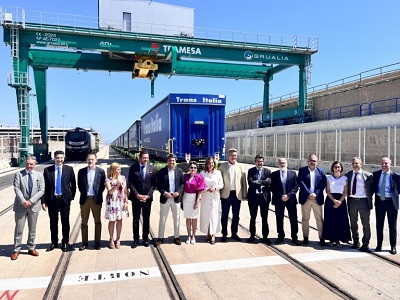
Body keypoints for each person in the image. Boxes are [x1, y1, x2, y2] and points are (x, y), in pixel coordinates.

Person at [11, 156, 45, 260]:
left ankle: (31, 247)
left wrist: (30, 201)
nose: (29, 166)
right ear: (25, 164)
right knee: (19, 229)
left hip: (33, 206)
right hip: (21, 206)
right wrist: (23, 201)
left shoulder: (39, 175)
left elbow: (41, 190)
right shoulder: (19, 174)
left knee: (32, 229)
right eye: (27, 164)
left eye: (31, 164)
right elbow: (16, 188)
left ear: (35, 165)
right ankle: (16, 249)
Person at [42, 150, 76, 252]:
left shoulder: (69, 169)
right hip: (52, 200)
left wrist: (71, 197)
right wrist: (43, 201)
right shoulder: (47, 170)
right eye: (57, 158)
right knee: (53, 222)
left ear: (63, 158)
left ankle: (65, 242)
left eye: (61, 158)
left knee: (65, 221)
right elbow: (44, 187)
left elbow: (73, 185)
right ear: (54, 158)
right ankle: (54, 242)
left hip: (64, 200)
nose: (59, 159)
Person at [128, 150, 156, 248]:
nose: (146, 160)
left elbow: (153, 184)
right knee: (136, 219)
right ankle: (135, 239)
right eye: (144, 158)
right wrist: (137, 194)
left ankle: (145, 239)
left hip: (147, 198)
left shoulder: (152, 168)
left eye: (147, 158)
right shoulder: (133, 168)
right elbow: (130, 183)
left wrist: (148, 195)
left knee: (146, 219)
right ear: (140, 158)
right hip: (136, 198)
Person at [77, 152, 106, 251]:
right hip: (85, 200)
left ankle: (97, 242)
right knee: (84, 222)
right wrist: (85, 194)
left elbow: (102, 186)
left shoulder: (101, 172)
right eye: (89, 159)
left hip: (96, 200)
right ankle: (85, 242)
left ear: (96, 160)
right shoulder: (81, 172)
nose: (90, 161)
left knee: (97, 221)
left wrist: (97, 194)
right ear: (86, 160)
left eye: (92, 159)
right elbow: (80, 185)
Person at [270, 157, 301, 245]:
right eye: (280, 163)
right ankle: (280, 236)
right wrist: (281, 196)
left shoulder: (293, 174)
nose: (282, 164)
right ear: (278, 164)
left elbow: (296, 187)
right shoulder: (274, 174)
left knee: (293, 218)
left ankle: (294, 237)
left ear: (287, 163)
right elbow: (272, 188)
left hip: (290, 200)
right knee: (279, 218)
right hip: (279, 200)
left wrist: (288, 195)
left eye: (284, 163)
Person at [219, 148, 248, 242]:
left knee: (236, 215)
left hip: (237, 195)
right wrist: (218, 194)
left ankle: (234, 233)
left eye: (235, 155)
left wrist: (244, 194)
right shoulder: (222, 166)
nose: (233, 157)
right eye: (232, 155)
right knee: (224, 215)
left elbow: (244, 181)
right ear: (228, 156)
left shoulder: (240, 166)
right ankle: (224, 234)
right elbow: (219, 180)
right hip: (225, 195)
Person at [345, 157, 374, 252]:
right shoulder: (348, 175)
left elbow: (372, 189)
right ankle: (356, 241)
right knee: (353, 223)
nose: (354, 165)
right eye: (353, 163)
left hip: (364, 201)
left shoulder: (368, 176)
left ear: (361, 164)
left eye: (356, 163)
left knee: (365, 224)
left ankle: (365, 244)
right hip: (352, 201)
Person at [298, 154, 327, 246]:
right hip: (306, 198)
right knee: (305, 218)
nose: (312, 162)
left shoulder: (321, 171)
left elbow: (323, 184)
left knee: (319, 219)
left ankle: (321, 237)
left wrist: (315, 193)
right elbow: (300, 182)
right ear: (308, 161)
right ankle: (305, 237)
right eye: (311, 160)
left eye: (314, 161)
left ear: (317, 162)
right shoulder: (302, 170)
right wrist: (308, 193)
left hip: (317, 198)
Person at [373, 157, 400, 255]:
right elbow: (373, 188)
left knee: (392, 226)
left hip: (391, 203)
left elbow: (398, 190)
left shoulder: (396, 176)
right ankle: (379, 245)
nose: (384, 165)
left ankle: (393, 246)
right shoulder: (376, 174)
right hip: (380, 202)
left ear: (390, 164)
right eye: (382, 163)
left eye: (386, 163)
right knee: (379, 225)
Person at [156, 154, 184, 246]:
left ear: (175, 162)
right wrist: (164, 193)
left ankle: (176, 237)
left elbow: (182, 184)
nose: (172, 162)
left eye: (173, 161)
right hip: (165, 198)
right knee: (162, 219)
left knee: (176, 218)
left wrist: (178, 192)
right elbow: (158, 185)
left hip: (175, 198)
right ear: (167, 161)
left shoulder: (179, 171)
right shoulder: (161, 172)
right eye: (170, 161)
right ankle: (160, 237)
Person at [322, 161, 351, 247]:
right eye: (335, 167)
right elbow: (327, 191)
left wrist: (340, 201)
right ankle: (332, 239)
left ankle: (338, 240)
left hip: (341, 200)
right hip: (331, 200)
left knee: (340, 220)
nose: (337, 169)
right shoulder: (329, 178)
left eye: (338, 167)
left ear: (341, 168)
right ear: (332, 168)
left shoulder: (345, 178)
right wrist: (334, 200)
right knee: (330, 220)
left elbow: (346, 192)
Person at [246, 154, 272, 245]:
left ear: (263, 162)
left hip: (264, 198)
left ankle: (265, 237)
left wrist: (258, 182)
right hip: (253, 197)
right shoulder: (251, 171)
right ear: (255, 162)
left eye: (261, 161)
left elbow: (269, 183)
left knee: (264, 218)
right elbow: (250, 183)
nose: (259, 163)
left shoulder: (268, 171)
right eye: (258, 161)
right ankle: (252, 236)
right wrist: (263, 183)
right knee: (253, 217)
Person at [200, 157, 224, 245]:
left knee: (214, 215)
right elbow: (200, 184)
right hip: (206, 196)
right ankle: (208, 233)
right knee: (206, 215)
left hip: (215, 196)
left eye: (212, 163)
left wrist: (215, 188)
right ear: (206, 164)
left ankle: (213, 234)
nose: (211, 164)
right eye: (209, 163)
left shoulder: (218, 173)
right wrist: (206, 189)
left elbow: (221, 184)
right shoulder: (203, 173)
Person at [105, 162, 129, 249]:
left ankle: (118, 239)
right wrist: (116, 185)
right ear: (113, 170)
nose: (120, 170)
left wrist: (126, 201)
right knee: (112, 221)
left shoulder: (123, 178)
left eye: (120, 169)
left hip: (120, 201)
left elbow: (125, 191)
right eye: (118, 169)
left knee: (119, 220)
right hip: (112, 202)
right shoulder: (108, 180)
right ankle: (111, 239)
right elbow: (110, 192)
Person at [182, 161, 205, 245]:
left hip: (194, 198)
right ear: (189, 168)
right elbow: (182, 187)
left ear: (197, 169)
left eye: (195, 168)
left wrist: (197, 201)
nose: (193, 169)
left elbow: (200, 190)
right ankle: (188, 235)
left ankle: (194, 236)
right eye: (191, 167)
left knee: (194, 219)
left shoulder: (199, 177)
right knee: (188, 218)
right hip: (186, 198)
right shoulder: (185, 177)